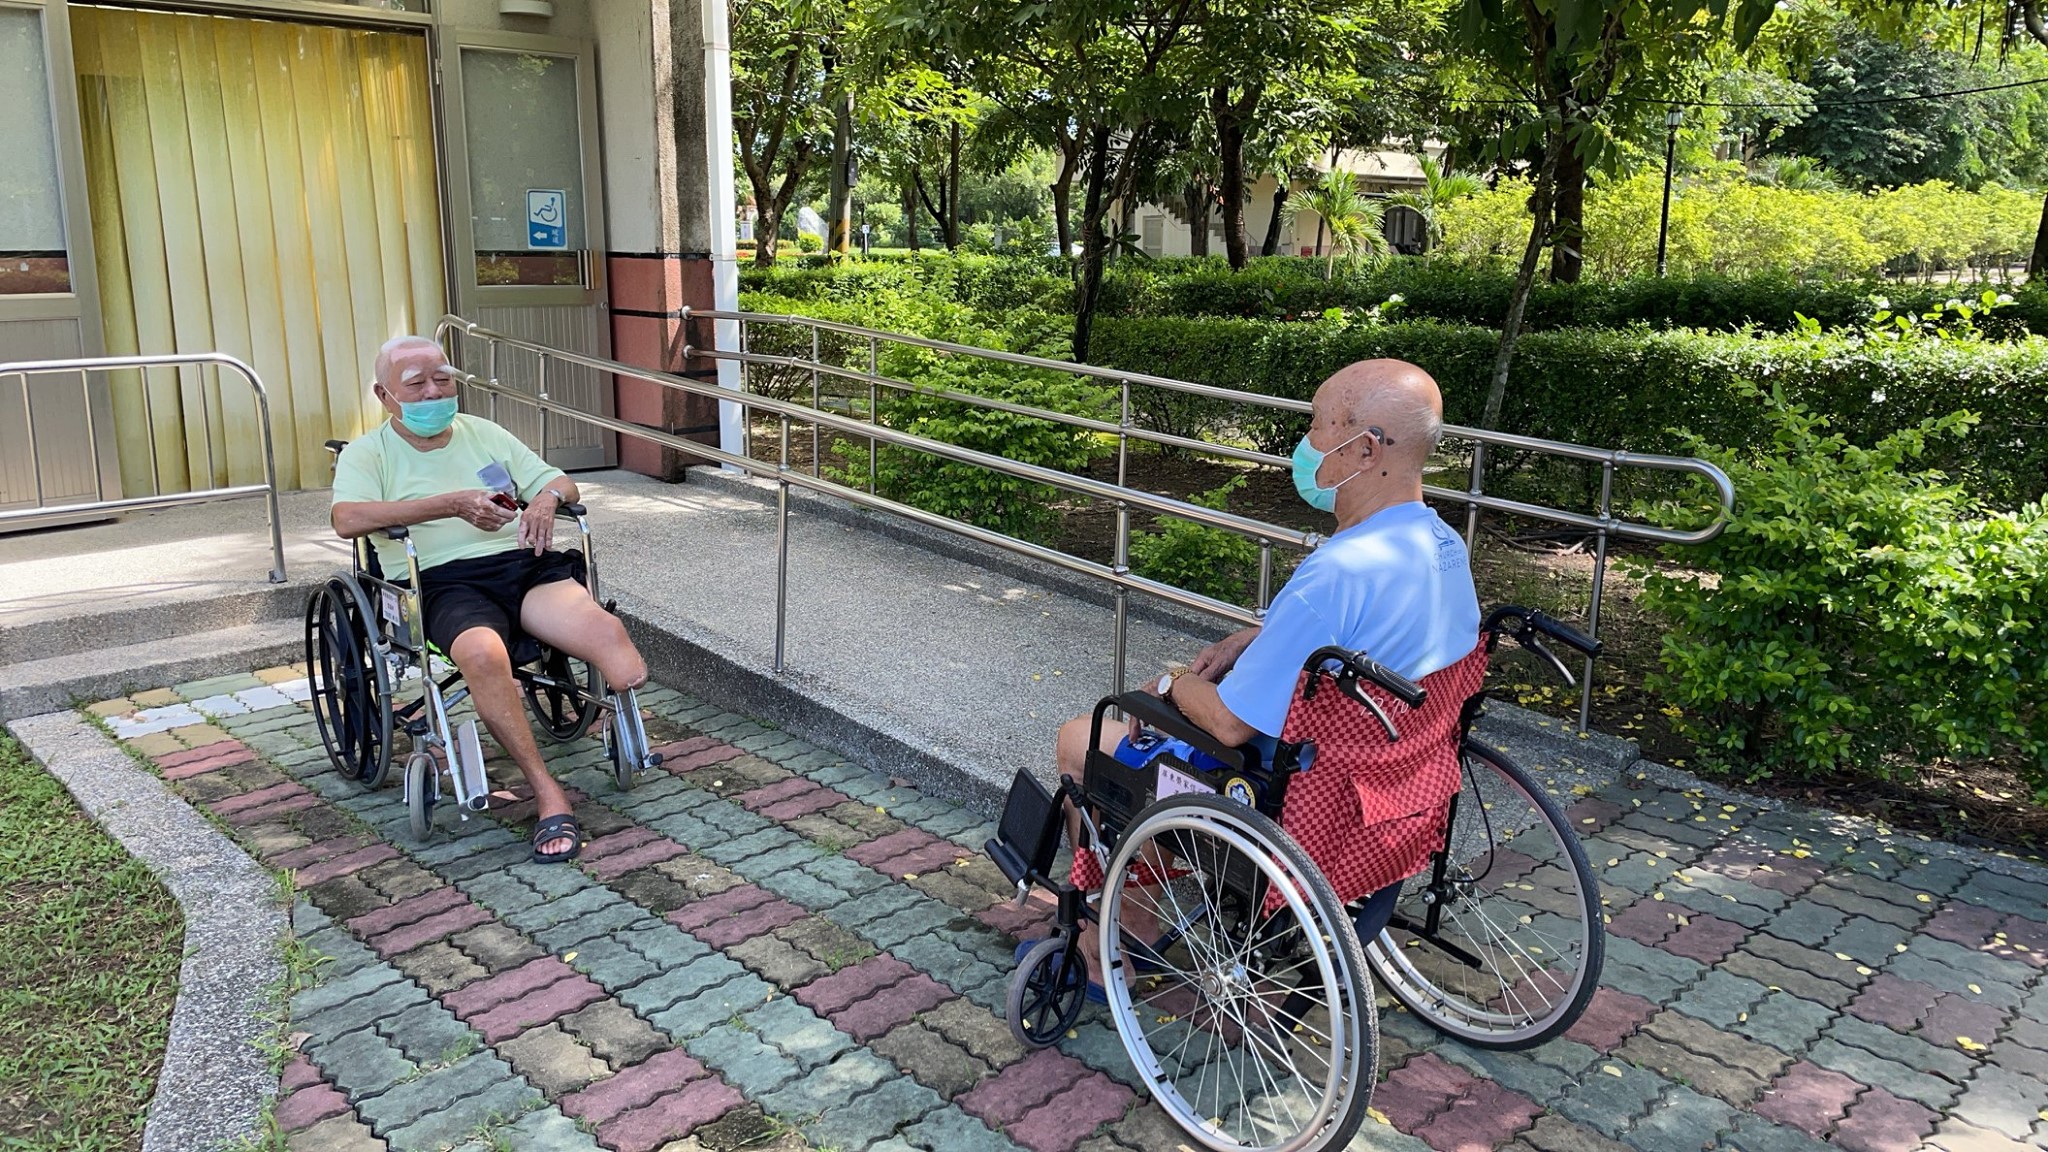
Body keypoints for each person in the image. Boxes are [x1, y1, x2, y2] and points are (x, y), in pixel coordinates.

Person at [1034, 358, 1482, 990]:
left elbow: (1228, 723)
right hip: (1391, 788)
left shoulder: (1335, 574)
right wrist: (1257, 637)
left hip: (1290, 800)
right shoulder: (1443, 546)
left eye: (1317, 426)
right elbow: (1366, 635)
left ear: (1365, 448)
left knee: (1086, 740)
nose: (1307, 446)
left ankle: (1107, 924)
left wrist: (1170, 686)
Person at [330, 335, 649, 863]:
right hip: (440, 581)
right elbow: (347, 520)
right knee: (482, 655)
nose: (434, 392)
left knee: (616, 652)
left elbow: (560, 481)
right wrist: (452, 504)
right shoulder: (370, 453)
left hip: (520, 568)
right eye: (416, 385)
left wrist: (545, 498)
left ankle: (616, 714)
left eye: (443, 379)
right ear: (384, 396)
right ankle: (546, 791)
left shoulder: (485, 434)